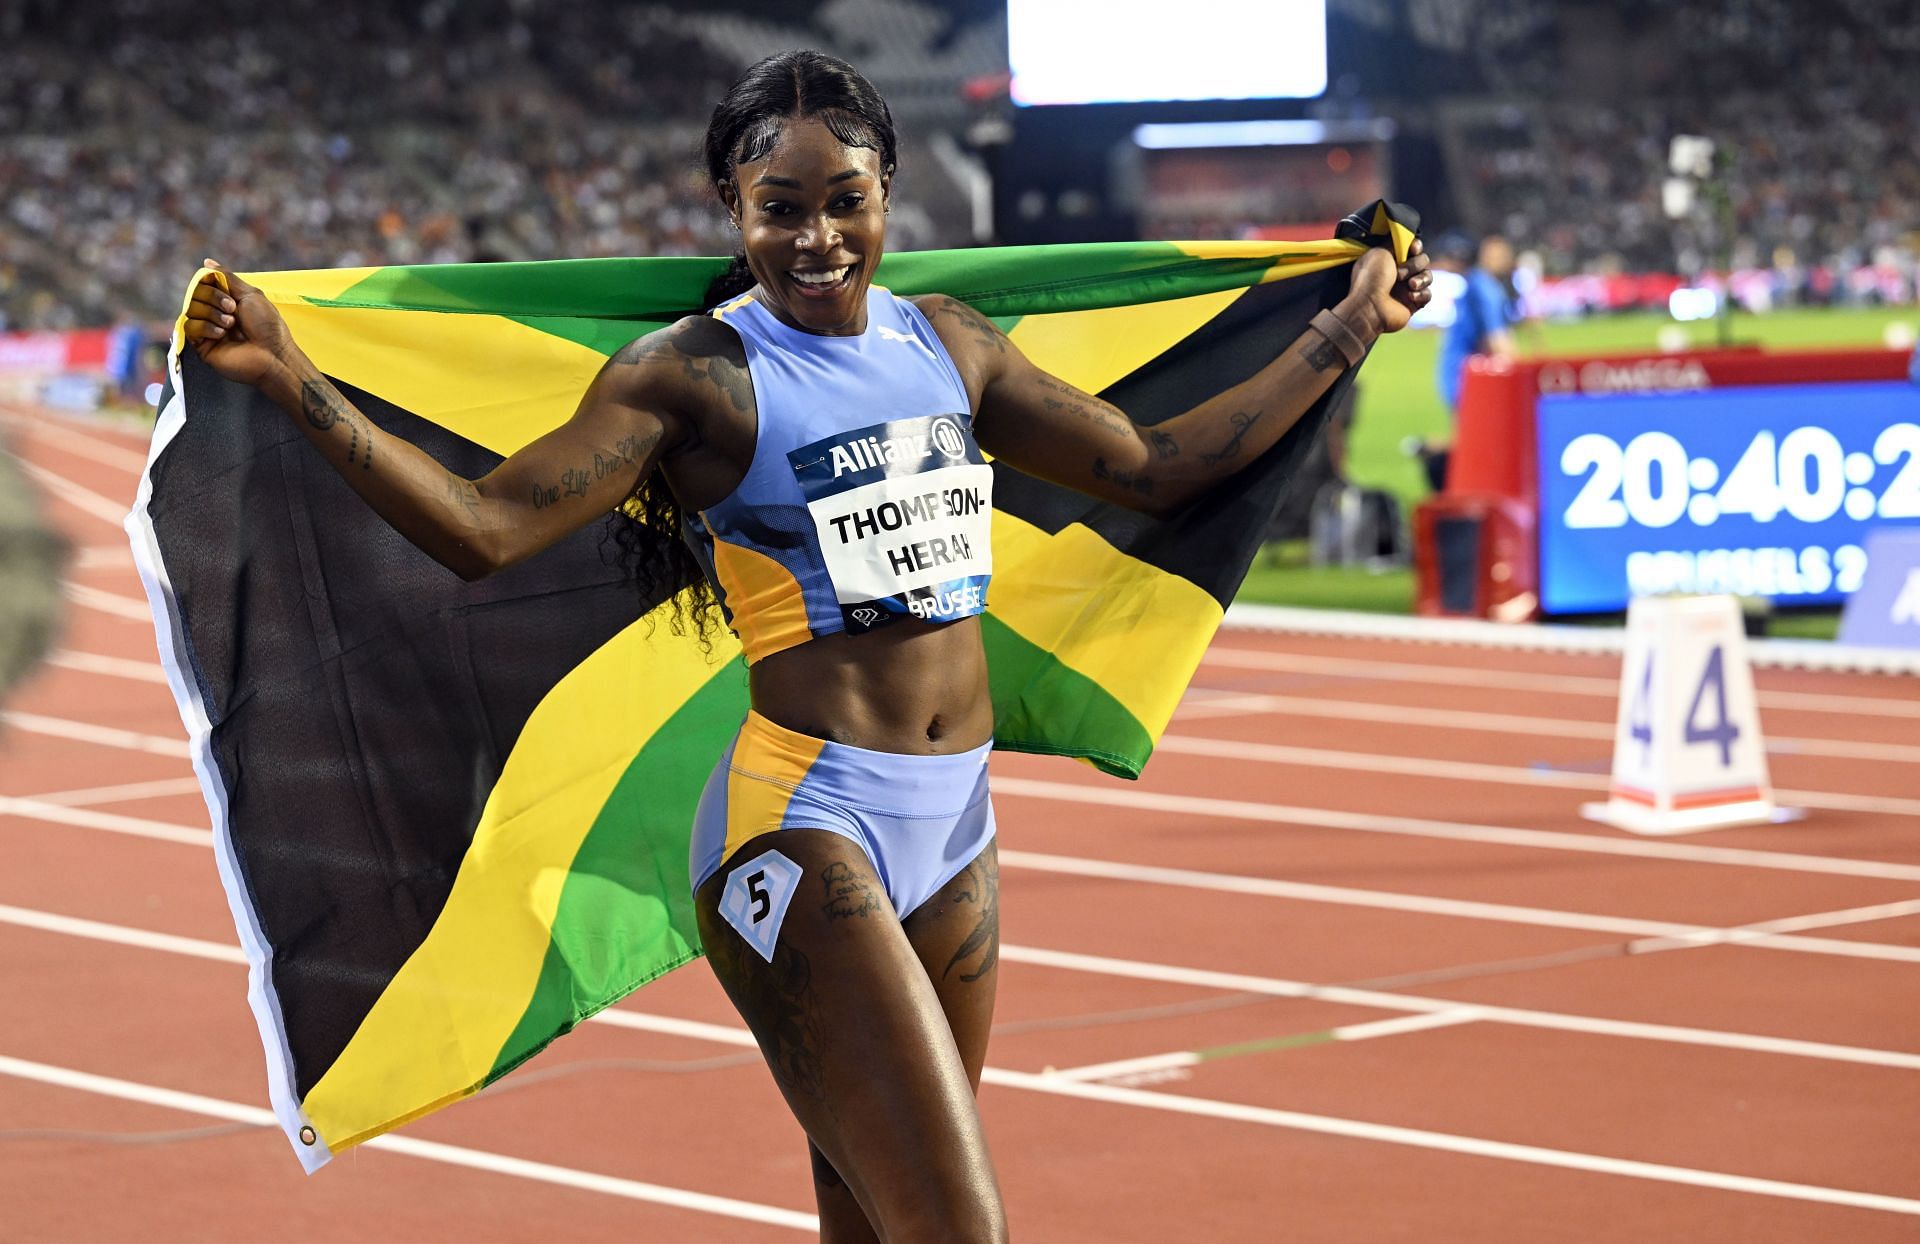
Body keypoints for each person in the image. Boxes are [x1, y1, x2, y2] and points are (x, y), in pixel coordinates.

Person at [182, 49, 1429, 1243]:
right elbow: (488, 529)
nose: (817, 237)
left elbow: (1154, 466)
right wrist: (294, 380)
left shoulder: (950, 345)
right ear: (733, 205)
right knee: (954, 1224)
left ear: (891, 189)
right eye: (781, 208)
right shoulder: (697, 378)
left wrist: (1355, 322)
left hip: (956, 826)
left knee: (877, 1219)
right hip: (802, 823)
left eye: (847, 202)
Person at [1416, 233, 1521, 491]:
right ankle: (1439, 464)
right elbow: (1497, 340)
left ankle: (1435, 459)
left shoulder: (1478, 285)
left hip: (1458, 371)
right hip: (1467, 375)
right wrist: (1522, 376)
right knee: (1480, 435)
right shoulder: (1485, 288)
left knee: (1474, 434)